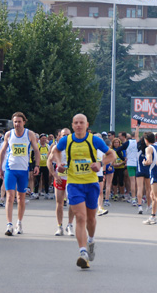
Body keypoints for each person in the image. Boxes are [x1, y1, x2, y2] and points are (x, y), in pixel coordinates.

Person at [50, 114, 116, 269]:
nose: (79, 125)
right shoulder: (67, 140)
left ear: (87, 125)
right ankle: (83, 253)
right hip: (74, 183)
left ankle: (91, 240)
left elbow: (111, 154)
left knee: (91, 219)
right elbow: (56, 151)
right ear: (72, 125)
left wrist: (100, 163)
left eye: (82, 123)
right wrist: (59, 163)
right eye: (76, 123)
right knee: (80, 217)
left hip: (91, 183)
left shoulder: (94, 140)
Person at [0, 112, 41, 236]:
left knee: (21, 198)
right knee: (10, 197)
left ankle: (19, 222)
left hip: (23, 170)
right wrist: (1, 168)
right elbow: (2, 152)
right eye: (15, 122)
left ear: (24, 122)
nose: (17, 124)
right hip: (10, 169)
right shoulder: (9, 134)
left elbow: (36, 151)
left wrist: (37, 165)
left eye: (19, 121)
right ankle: (9, 224)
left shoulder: (29, 134)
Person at [48, 128, 75, 236]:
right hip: (60, 178)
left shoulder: (74, 147)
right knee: (59, 203)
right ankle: (59, 226)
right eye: (63, 135)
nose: (65, 137)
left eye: (67, 135)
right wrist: (54, 175)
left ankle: (70, 225)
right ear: (59, 136)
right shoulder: (56, 148)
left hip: (72, 179)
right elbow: (49, 162)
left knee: (72, 203)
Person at [142, 132, 157, 225]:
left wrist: (144, 162)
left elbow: (149, 161)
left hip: (154, 172)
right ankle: (153, 216)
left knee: (156, 196)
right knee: (153, 196)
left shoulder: (148, 148)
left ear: (146, 140)